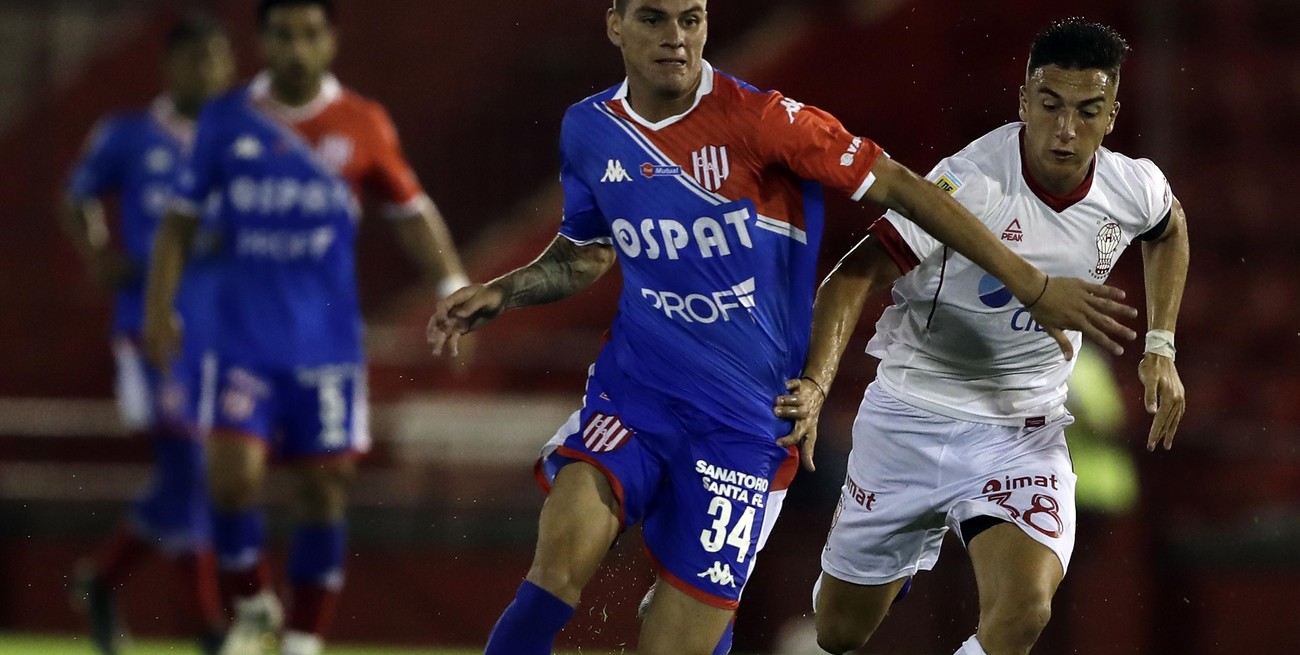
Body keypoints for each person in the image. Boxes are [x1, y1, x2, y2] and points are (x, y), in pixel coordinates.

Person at [429, 3, 1140, 654]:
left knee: (685, 641)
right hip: (635, 392)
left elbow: (899, 186)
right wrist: (504, 290)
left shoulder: (765, 121)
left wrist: (1031, 283)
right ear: (615, 23)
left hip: (745, 424)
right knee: (555, 566)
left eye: (692, 18)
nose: (676, 38)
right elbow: (587, 249)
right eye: (654, 18)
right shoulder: (588, 129)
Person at [771, 17, 1189, 655]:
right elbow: (850, 276)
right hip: (912, 414)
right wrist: (819, 385)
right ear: (1023, 101)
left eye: (1087, 111)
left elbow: (1169, 228)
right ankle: (905, 560)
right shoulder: (969, 183)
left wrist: (1162, 344)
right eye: (1049, 106)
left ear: (1111, 115)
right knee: (839, 632)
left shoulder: (1131, 187)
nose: (1066, 129)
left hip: (1019, 427)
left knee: (1024, 611)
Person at [142, 1, 469, 654]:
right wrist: (159, 305)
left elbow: (411, 210)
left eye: (310, 34)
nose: (297, 48)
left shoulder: (362, 123)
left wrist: (454, 285)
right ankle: (255, 605)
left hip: (325, 345)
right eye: (283, 34)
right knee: (231, 478)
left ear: (331, 41)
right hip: (239, 339)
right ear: (263, 41)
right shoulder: (226, 120)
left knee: (323, 490)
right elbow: (179, 220)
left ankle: (301, 641)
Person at [62, 15, 235, 655]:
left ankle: (103, 578)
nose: (206, 71)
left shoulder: (237, 141)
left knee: (193, 476)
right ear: (170, 66)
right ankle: (210, 627)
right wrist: (99, 251)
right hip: (148, 329)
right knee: (190, 465)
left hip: (219, 336)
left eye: (215, 58)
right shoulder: (129, 135)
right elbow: (74, 194)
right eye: (193, 59)